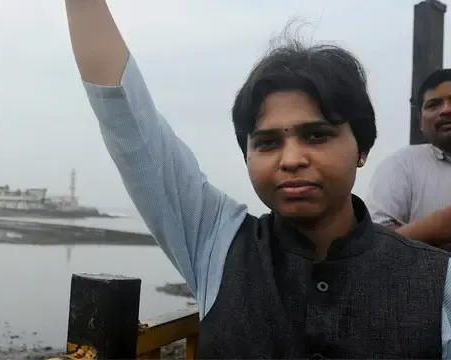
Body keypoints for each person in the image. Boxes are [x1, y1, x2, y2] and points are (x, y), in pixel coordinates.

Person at [65, 1, 451, 358]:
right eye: (267, 143)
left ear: (362, 148)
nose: (292, 159)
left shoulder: (438, 280)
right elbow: (127, 118)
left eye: (317, 135)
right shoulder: (216, 243)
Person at [366, 69, 451, 247]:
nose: (446, 110)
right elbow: (374, 243)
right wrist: (435, 227)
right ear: (420, 121)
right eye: (433, 104)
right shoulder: (402, 165)